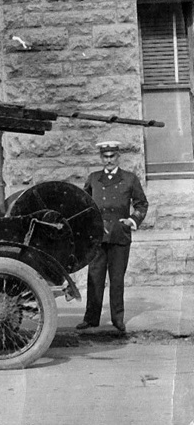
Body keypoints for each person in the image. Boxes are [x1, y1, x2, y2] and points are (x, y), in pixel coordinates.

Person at [76, 141, 148, 333]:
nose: (109, 160)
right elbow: (83, 205)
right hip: (98, 237)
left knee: (117, 278)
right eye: (105, 157)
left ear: (118, 157)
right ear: (101, 158)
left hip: (119, 235)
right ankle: (91, 318)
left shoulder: (129, 179)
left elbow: (141, 204)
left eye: (112, 156)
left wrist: (132, 221)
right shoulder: (93, 179)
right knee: (95, 277)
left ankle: (117, 319)